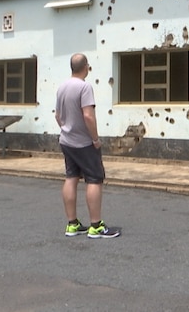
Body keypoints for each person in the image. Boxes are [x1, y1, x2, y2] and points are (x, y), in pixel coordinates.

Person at [55, 53, 120, 239]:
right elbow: (88, 116)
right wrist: (95, 139)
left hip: (66, 141)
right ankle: (95, 226)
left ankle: (72, 224)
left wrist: (67, 129)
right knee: (94, 179)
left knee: (71, 177)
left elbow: (57, 116)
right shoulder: (85, 87)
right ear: (86, 67)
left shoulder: (62, 87)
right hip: (84, 142)